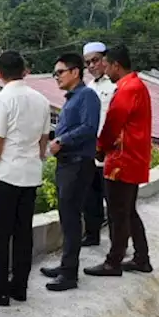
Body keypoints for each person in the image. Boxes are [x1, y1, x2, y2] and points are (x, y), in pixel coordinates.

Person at [0, 51, 51, 307]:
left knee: (1, 235)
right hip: (30, 174)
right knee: (23, 233)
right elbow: (44, 139)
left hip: (6, 175)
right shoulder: (41, 100)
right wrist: (36, 157)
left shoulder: (3, 99)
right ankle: (19, 287)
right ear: (25, 70)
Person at [85, 44, 154, 278]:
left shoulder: (126, 89)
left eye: (106, 64)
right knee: (127, 211)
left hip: (122, 159)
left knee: (118, 213)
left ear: (116, 65)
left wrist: (99, 149)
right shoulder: (136, 85)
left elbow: (112, 125)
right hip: (134, 157)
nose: (104, 69)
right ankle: (141, 257)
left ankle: (113, 261)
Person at [41, 52, 101, 292]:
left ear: (75, 72)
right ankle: (66, 264)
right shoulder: (73, 98)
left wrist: (62, 141)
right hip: (67, 163)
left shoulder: (87, 96)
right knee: (66, 217)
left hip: (77, 163)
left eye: (60, 72)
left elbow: (89, 127)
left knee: (72, 218)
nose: (57, 77)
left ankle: (69, 274)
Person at [82, 41, 115, 246]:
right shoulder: (89, 87)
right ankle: (92, 235)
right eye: (88, 63)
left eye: (95, 60)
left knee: (112, 200)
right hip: (90, 151)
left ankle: (117, 242)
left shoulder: (115, 86)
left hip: (109, 153)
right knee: (90, 197)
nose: (92, 66)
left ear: (105, 59)